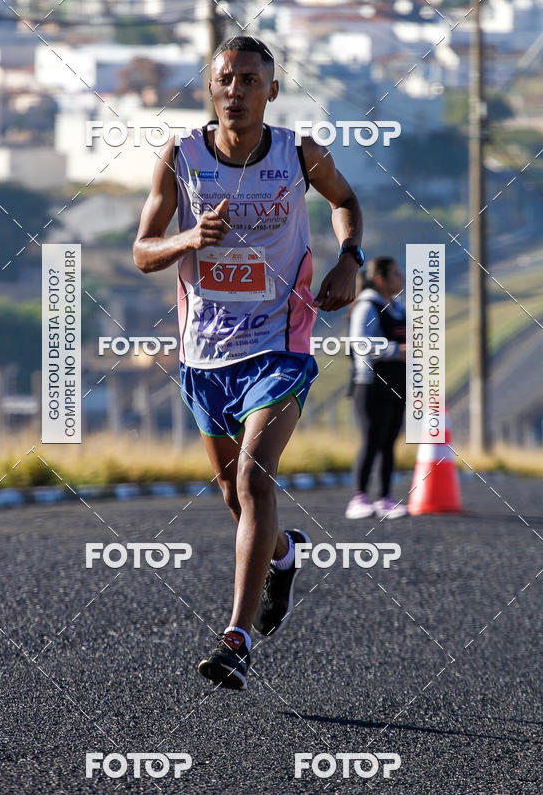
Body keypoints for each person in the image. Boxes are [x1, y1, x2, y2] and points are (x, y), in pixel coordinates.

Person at [133, 35, 364, 690]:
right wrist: (189, 237)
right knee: (236, 499)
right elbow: (143, 251)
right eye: (226, 80)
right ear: (211, 89)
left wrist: (349, 261)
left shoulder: (299, 154)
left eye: (250, 81)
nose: (236, 91)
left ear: (272, 91)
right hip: (205, 355)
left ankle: (235, 639)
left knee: (254, 481)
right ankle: (284, 553)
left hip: (279, 346)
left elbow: (345, 202)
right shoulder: (180, 156)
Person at [345, 256, 407, 520]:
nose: (401, 278)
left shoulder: (397, 307)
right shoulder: (367, 306)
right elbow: (361, 343)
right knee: (371, 440)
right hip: (370, 384)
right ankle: (358, 498)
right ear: (380, 279)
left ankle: (384, 498)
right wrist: (396, 350)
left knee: (389, 442)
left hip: (396, 384)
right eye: (396, 273)